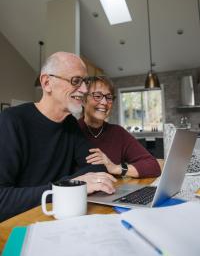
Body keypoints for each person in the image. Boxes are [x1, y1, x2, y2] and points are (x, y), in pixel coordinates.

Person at [0, 52, 116, 222]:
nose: (84, 90)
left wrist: (68, 185)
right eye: (76, 81)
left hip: (57, 218)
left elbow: (98, 168)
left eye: (85, 82)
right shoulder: (10, 121)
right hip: (18, 227)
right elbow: (2, 199)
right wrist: (69, 185)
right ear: (47, 83)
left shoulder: (70, 124)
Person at [78, 76, 161, 178]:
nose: (104, 102)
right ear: (83, 100)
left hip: (114, 192)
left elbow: (153, 166)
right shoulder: (70, 131)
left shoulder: (118, 133)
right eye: (97, 96)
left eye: (109, 97)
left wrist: (115, 168)